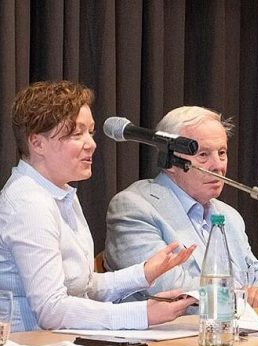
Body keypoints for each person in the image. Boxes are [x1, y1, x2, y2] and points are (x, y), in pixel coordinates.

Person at [0, 80, 195, 332]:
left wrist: (144, 273)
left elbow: (82, 285)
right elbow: (51, 309)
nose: (91, 143)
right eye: (75, 134)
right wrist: (142, 313)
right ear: (37, 143)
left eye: (90, 132)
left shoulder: (58, 192)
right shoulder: (28, 203)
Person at [105, 106, 258, 307]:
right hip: (171, 338)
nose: (218, 165)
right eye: (203, 155)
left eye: (222, 153)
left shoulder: (228, 215)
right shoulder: (134, 207)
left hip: (234, 333)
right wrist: (246, 298)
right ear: (170, 160)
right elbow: (168, 287)